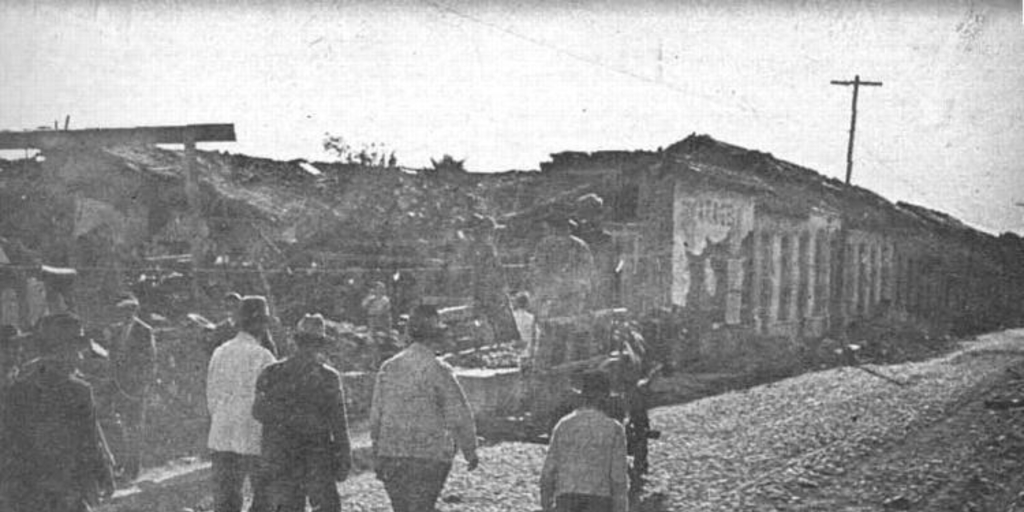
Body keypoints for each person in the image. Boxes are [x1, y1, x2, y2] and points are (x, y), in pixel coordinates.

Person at [369, 304, 480, 512]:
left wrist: (377, 451)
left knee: (401, 508)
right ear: (435, 337)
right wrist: (470, 450)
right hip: (430, 455)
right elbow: (458, 414)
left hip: (393, 453)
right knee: (422, 506)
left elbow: (376, 416)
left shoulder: (388, 368)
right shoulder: (439, 370)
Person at [1, 313, 115, 512]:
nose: (80, 357)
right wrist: (104, 475)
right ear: (62, 350)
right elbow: (88, 443)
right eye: (76, 349)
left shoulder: (18, 389)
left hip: (28, 491)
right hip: (67, 489)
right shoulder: (78, 390)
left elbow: (11, 443)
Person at [253, 313, 352, 512]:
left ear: (295, 341)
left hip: (282, 455)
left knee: (288, 505)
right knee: (326, 507)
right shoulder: (327, 377)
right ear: (320, 346)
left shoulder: (272, 373)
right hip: (317, 456)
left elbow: (258, 412)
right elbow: (339, 424)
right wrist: (344, 458)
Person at [207, 295, 277, 512]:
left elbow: (211, 396)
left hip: (222, 434)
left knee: (226, 500)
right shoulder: (264, 357)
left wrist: (221, 419)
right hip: (254, 436)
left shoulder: (220, 352)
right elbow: (272, 403)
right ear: (260, 325)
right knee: (265, 494)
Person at [540, 370, 628, 512]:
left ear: (583, 396)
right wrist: (620, 507)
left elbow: (548, 470)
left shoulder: (564, 424)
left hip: (566, 497)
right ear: (605, 397)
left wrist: (546, 504)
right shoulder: (613, 429)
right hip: (599, 500)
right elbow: (618, 477)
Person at [109, 292, 156, 481]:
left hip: (136, 387)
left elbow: (150, 359)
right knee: (121, 427)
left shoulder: (144, 330)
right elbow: (112, 356)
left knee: (135, 427)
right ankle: (122, 465)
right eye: (123, 310)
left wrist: (144, 384)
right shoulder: (116, 330)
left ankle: (133, 469)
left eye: (130, 309)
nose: (127, 313)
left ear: (135, 310)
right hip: (120, 385)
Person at [467, 214, 520, 345]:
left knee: (493, 319)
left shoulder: (482, 247)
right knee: (497, 319)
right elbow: (489, 272)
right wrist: (500, 287)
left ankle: (499, 343)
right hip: (491, 290)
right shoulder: (485, 248)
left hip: (488, 290)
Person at [512, 292, 537, 363]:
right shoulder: (531, 318)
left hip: (514, 350)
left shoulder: (513, 317)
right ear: (527, 303)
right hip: (527, 351)